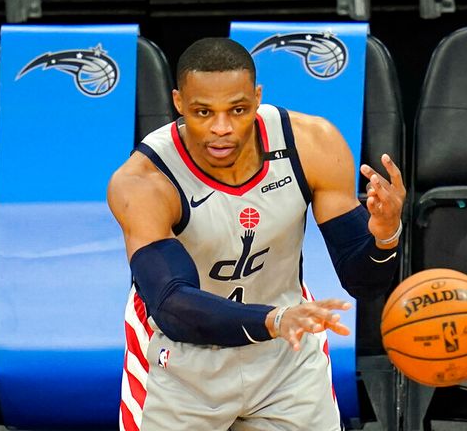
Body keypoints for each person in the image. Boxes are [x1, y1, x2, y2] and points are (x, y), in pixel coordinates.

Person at [108, 37, 405, 431]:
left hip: (287, 350)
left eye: (238, 110)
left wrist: (385, 235)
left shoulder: (311, 143)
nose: (221, 129)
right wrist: (272, 319)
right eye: (202, 112)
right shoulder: (144, 180)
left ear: (257, 97)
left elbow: (364, 281)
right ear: (178, 103)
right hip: (183, 363)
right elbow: (172, 306)